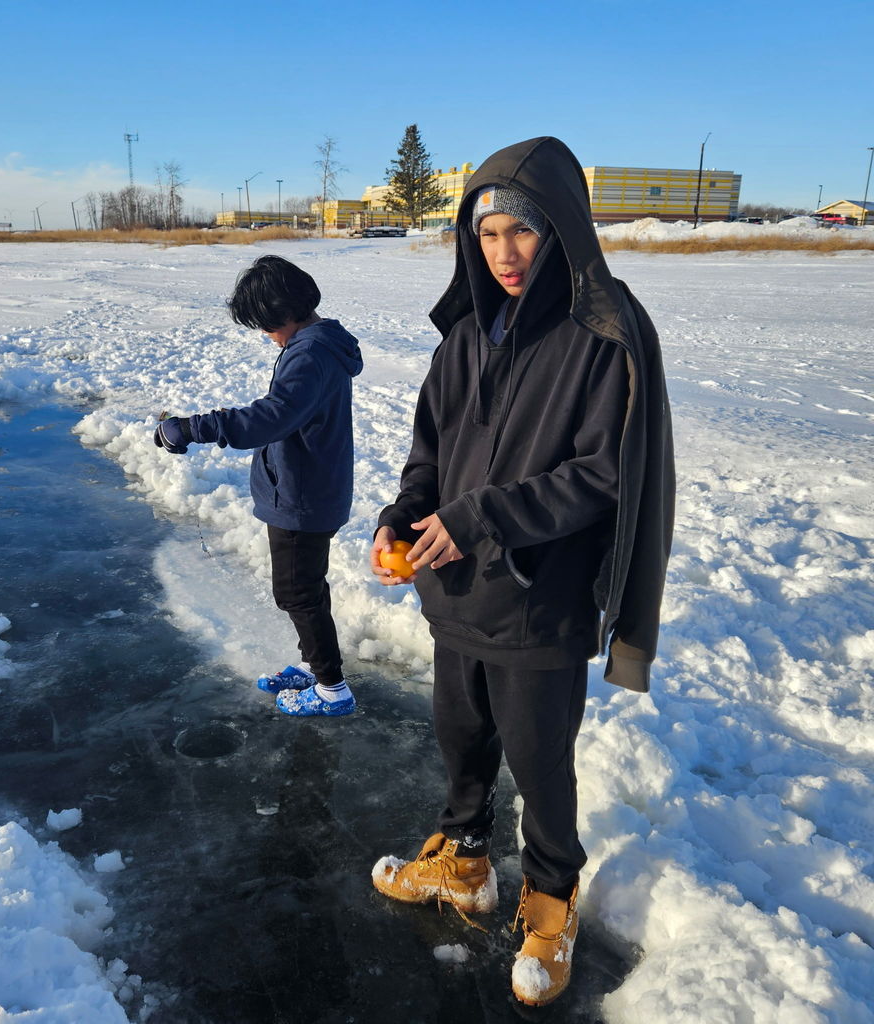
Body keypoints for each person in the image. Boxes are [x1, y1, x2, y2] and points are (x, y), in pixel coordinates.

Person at [368, 137, 675, 1006]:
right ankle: (464, 862)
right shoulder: (463, 333)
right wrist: (404, 514)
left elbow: (604, 473)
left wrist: (480, 518)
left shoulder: (603, 333)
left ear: (563, 231)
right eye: (486, 233)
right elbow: (430, 451)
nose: (502, 253)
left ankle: (550, 894)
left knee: (541, 761)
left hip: (540, 598)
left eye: (522, 234)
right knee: (460, 737)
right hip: (457, 592)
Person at [155, 254, 364, 717]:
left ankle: (332, 689)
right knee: (306, 587)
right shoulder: (318, 344)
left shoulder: (309, 354)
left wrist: (191, 428)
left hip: (302, 497)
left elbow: (270, 418)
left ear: (285, 311)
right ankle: (316, 664)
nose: (267, 335)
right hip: (309, 489)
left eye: (266, 324)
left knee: (296, 593)